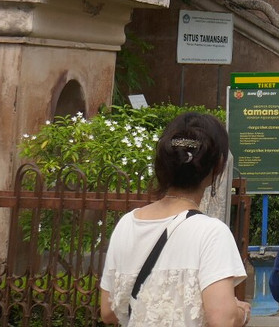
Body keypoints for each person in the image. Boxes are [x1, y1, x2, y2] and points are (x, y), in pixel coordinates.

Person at [100, 112, 250, 327]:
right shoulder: (211, 233)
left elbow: (108, 312)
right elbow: (222, 319)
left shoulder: (126, 224)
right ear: (217, 167)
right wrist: (240, 313)